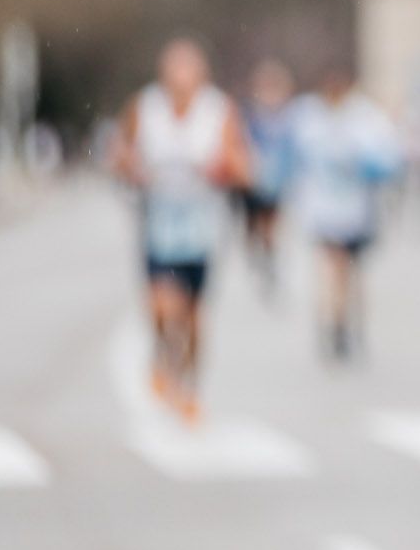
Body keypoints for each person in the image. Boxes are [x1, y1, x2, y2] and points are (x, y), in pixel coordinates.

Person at [112, 39, 249, 422]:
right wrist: (130, 167)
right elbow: (119, 151)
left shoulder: (218, 111)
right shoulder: (145, 108)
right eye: (175, 70)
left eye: (188, 70)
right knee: (159, 308)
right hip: (159, 226)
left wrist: (225, 167)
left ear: (201, 76)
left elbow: (245, 166)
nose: (181, 79)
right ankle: (160, 354)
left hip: (203, 229)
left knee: (193, 319)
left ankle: (188, 385)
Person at [290, 67, 402, 362]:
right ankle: (334, 324)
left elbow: (388, 160)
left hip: (357, 212)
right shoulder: (309, 117)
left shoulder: (365, 117)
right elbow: (295, 159)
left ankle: (349, 324)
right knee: (333, 269)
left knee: (351, 273)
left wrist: (363, 163)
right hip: (324, 211)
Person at [239, 59, 298, 299]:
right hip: (252, 179)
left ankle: (269, 254)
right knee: (253, 223)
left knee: (271, 222)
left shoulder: (288, 116)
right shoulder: (250, 114)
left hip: (276, 181)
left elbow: (292, 148)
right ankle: (258, 251)